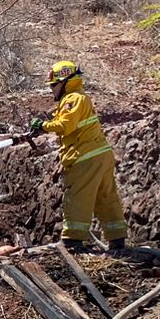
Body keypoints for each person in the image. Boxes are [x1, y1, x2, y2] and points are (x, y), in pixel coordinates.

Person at [30, 61, 129, 254]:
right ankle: (117, 240)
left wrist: (43, 126)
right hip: (101, 154)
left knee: (77, 197)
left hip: (85, 157)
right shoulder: (79, 98)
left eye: (53, 85)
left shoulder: (72, 99)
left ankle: (72, 242)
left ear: (66, 81)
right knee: (105, 197)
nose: (51, 89)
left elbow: (66, 125)